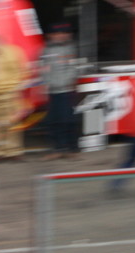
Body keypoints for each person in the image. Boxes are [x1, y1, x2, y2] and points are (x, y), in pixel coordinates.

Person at [40, 22, 79, 159]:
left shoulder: (70, 49)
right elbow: (43, 69)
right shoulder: (46, 50)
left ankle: (71, 149)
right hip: (52, 91)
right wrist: (48, 83)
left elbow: (73, 69)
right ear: (51, 35)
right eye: (58, 33)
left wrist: (62, 83)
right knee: (53, 121)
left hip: (66, 91)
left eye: (64, 33)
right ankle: (57, 149)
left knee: (67, 120)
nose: (61, 35)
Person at [0, 36, 26, 161]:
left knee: (12, 124)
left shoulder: (12, 52)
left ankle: (13, 151)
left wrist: (15, 87)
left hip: (10, 92)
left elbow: (20, 71)